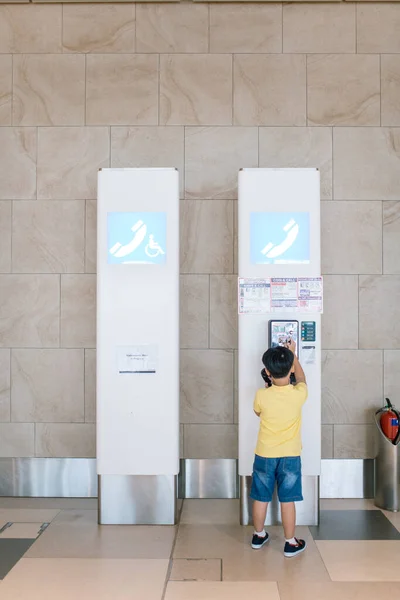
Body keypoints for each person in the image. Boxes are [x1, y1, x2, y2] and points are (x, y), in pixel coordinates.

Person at [250, 339, 308, 558]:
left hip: (264, 453)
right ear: (290, 368)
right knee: (287, 499)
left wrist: (269, 391)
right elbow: (302, 379)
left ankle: (258, 535)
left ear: (267, 371)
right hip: (290, 455)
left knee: (261, 496)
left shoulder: (261, 395)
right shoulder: (298, 394)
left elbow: (258, 412)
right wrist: (293, 355)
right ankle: (290, 542)